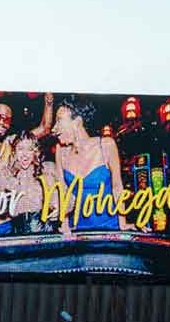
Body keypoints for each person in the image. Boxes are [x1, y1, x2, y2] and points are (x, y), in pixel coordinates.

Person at [53, 96, 133, 233]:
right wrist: (65, 224)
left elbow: (117, 187)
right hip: (77, 231)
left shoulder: (106, 145)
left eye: (59, 120)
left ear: (77, 122)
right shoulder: (61, 151)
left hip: (109, 229)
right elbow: (63, 191)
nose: (54, 128)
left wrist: (123, 224)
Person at [0, 133, 59, 234]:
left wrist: (59, 207)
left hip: (44, 233)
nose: (25, 154)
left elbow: (65, 198)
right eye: (20, 149)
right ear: (14, 151)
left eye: (29, 149)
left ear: (35, 152)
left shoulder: (47, 169)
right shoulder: (5, 173)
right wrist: (12, 177)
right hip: (18, 235)